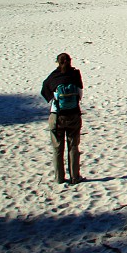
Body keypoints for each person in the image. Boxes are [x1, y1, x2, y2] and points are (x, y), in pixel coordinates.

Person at [41, 52, 84, 184]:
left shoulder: (54, 76)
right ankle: (75, 177)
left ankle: (59, 178)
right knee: (73, 147)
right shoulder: (75, 74)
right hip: (74, 115)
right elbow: (80, 93)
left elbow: (44, 91)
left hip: (57, 116)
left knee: (58, 149)